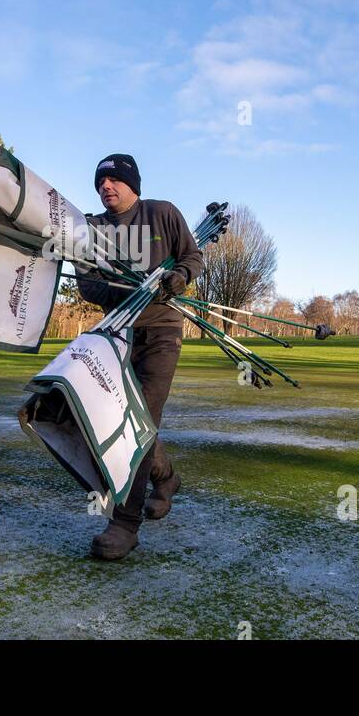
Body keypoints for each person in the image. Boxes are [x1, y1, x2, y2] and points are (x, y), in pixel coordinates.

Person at [76, 154, 203, 560]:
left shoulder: (162, 214)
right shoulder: (90, 230)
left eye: (114, 180)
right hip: (116, 336)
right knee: (128, 420)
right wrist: (127, 288)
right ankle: (165, 478)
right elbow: (88, 286)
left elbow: (192, 258)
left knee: (139, 422)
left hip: (162, 332)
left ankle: (125, 524)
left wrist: (177, 279)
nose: (106, 187)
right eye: (100, 182)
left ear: (133, 184)